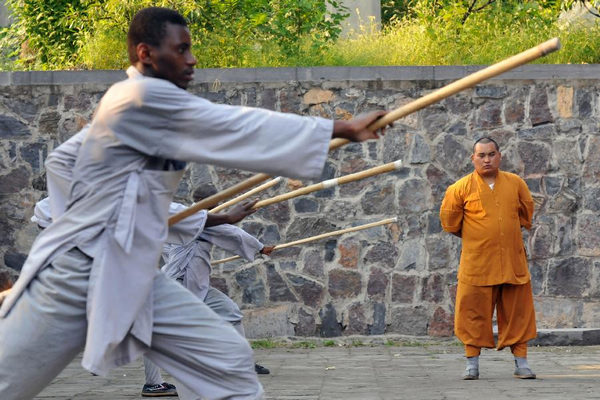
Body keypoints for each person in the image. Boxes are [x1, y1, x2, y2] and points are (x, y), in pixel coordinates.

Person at [0, 7, 389, 400]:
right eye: (181, 49)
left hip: (130, 274)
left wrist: (91, 210)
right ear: (145, 53)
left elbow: (61, 161)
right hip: (76, 274)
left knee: (227, 358)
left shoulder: (129, 104)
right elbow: (233, 125)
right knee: (7, 379)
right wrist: (342, 128)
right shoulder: (139, 97)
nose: (192, 59)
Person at [143, 200, 275, 397]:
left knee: (230, 311)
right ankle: (154, 384)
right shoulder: (191, 223)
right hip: (176, 287)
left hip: (199, 288)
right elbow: (230, 232)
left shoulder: (178, 222)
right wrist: (260, 247)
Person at [439, 137, 536, 381]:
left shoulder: (515, 183)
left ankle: (521, 363)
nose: (486, 159)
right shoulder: (459, 188)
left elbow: (526, 213)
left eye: (491, 154)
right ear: (473, 159)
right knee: (471, 312)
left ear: (499, 156)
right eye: (481, 155)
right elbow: (450, 223)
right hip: (477, 263)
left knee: (518, 312)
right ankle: (472, 364)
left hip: (512, 262)